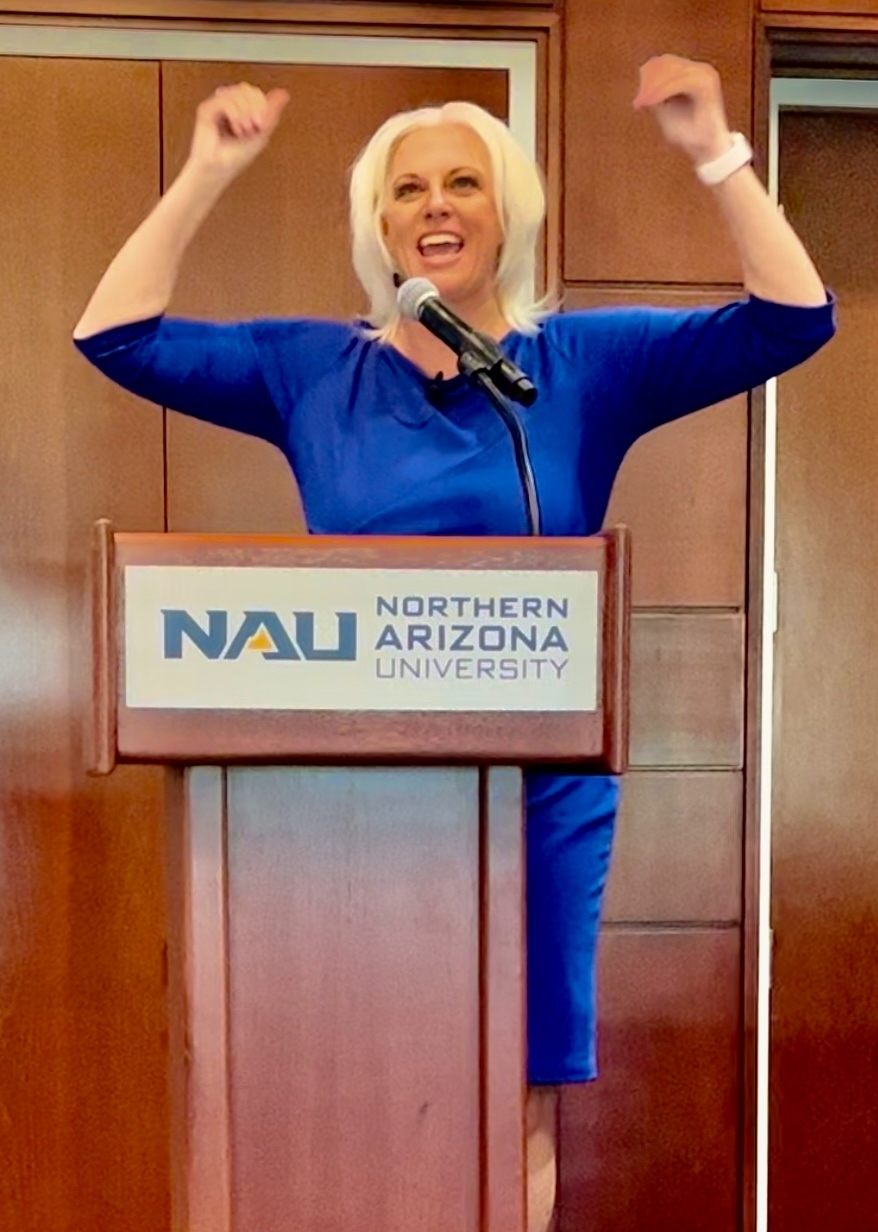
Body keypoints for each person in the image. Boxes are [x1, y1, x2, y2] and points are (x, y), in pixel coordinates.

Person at [73, 53, 834, 1232]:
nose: (434, 205)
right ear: (378, 226)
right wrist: (205, 173)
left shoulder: (577, 366)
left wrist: (712, 152)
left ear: (506, 213)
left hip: (538, 794)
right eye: (407, 188)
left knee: (509, 1095)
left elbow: (792, 319)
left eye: (463, 183)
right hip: (346, 798)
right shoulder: (309, 369)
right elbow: (114, 338)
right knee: (345, 1081)